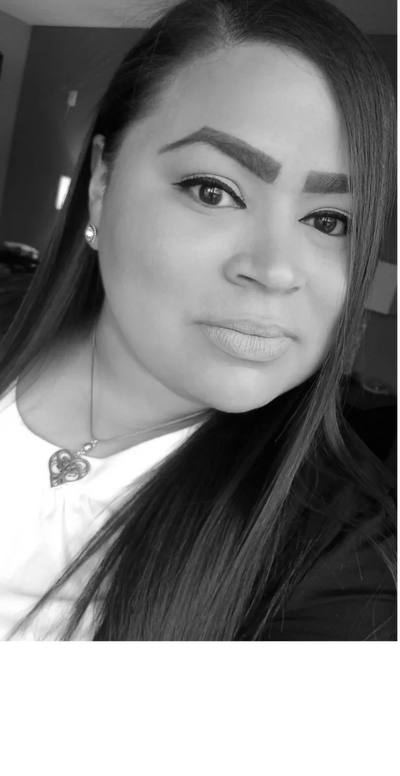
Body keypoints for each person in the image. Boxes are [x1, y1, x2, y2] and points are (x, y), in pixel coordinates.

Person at [0, 0, 398, 644]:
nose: (275, 270)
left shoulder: (341, 565)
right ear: (102, 183)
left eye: (329, 221)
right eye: (214, 190)